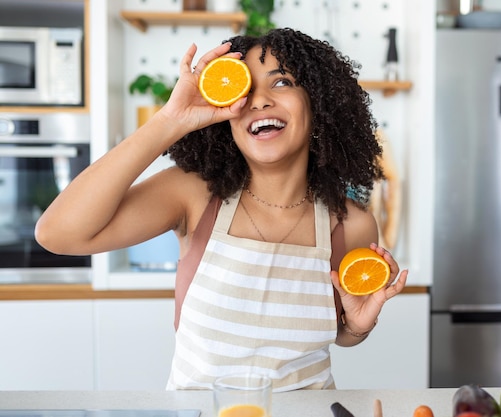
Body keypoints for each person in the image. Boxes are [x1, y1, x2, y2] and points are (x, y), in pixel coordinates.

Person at [35, 28, 408, 391]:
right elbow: (58, 233)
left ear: (318, 103)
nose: (259, 101)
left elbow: (342, 333)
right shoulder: (193, 195)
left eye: (280, 82)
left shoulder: (352, 224)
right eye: (246, 89)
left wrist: (357, 326)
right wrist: (170, 121)